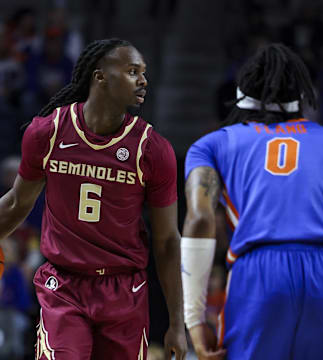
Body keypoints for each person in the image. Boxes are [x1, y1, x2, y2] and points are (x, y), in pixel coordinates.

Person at [0, 38, 187, 360]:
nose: (143, 80)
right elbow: (17, 203)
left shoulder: (153, 149)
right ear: (100, 77)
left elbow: (168, 241)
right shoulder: (48, 132)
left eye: (143, 72)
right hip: (64, 285)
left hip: (124, 290)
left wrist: (176, 323)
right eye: (132, 71)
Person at [181, 43, 323, 360]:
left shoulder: (212, 145)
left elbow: (200, 220)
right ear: (302, 98)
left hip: (259, 274)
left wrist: (194, 318)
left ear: (241, 95)